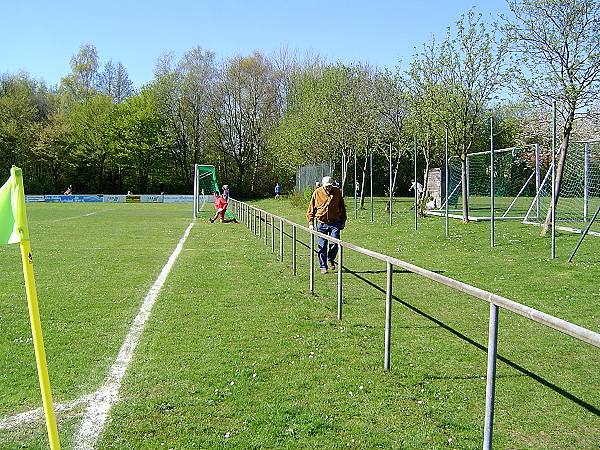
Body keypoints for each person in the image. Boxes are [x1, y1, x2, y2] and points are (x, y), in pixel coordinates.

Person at [306, 176, 347, 274]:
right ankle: (323, 266)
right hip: (321, 222)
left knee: (335, 243)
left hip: (335, 222)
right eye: (326, 186)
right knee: (322, 245)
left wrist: (343, 221)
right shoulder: (317, 193)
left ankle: (331, 259)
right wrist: (311, 222)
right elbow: (311, 208)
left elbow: (342, 207)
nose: (328, 188)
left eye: (329, 186)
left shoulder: (337, 192)